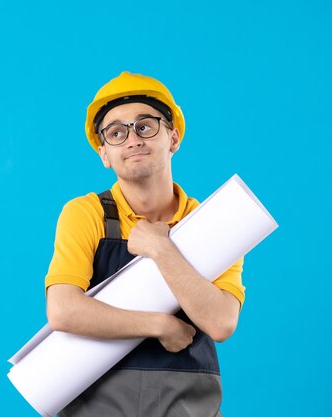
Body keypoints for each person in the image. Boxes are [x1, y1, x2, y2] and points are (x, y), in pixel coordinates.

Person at [45, 71, 245, 417]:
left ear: (173, 138)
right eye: (117, 132)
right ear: (105, 154)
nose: (132, 139)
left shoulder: (215, 221)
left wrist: (161, 248)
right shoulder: (85, 213)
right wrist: (160, 325)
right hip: (97, 402)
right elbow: (63, 310)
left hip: (187, 402)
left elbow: (221, 322)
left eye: (145, 125)